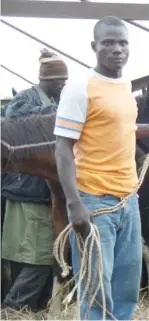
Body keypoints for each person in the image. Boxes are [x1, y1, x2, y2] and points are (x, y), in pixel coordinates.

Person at [53, 16, 149, 320]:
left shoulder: (123, 86)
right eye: (108, 42)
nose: (117, 49)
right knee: (96, 288)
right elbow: (63, 148)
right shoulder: (80, 88)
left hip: (127, 200)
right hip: (93, 201)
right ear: (94, 47)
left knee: (126, 287)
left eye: (122, 43)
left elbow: (122, 127)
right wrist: (75, 204)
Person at [1, 49, 69, 311]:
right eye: (59, 79)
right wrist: (54, 111)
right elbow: (14, 124)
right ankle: (11, 310)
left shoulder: (58, 99)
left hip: (47, 193)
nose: (63, 84)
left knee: (37, 255)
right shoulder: (25, 100)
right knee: (39, 257)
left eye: (65, 79)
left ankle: (33, 310)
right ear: (45, 79)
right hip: (27, 191)